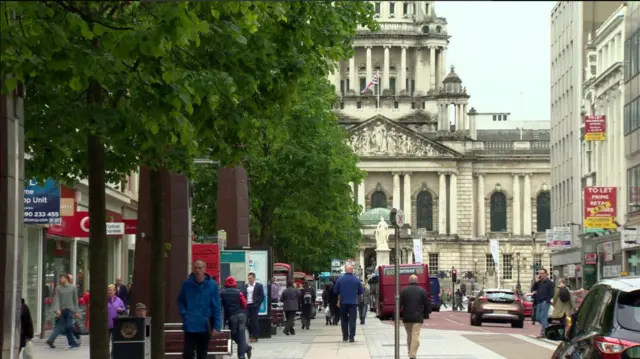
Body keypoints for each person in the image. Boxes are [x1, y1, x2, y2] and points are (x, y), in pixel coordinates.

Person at [177, 260, 222, 359]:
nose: (197, 270)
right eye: (195, 267)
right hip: (190, 324)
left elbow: (216, 306)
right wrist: (185, 315)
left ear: (205, 269)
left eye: (200, 268)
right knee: (187, 353)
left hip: (205, 324)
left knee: (202, 353)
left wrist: (217, 326)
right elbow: (180, 301)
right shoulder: (187, 284)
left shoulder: (212, 285)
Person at [221, 277, 252, 359]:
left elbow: (220, 305)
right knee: (241, 335)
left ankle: (245, 349)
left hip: (232, 317)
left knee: (233, 335)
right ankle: (243, 353)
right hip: (241, 316)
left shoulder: (222, 292)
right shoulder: (239, 292)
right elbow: (245, 304)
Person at [46, 274, 80, 349]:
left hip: (70, 309)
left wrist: (77, 311)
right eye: (60, 278)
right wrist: (57, 309)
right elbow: (57, 299)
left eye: (62, 278)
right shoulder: (58, 288)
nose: (60, 280)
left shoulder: (73, 287)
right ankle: (73, 342)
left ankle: (74, 339)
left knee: (69, 325)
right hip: (62, 310)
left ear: (66, 279)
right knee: (61, 327)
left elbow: (75, 300)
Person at [400, 275, 430, 359]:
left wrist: (396, 315)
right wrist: (426, 314)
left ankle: (410, 352)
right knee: (415, 335)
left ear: (409, 281)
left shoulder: (403, 290)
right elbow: (427, 304)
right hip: (417, 317)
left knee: (409, 335)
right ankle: (412, 355)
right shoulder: (422, 291)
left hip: (406, 317)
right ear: (417, 281)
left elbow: (399, 304)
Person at [333, 265, 363, 342]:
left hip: (343, 302)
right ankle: (352, 337)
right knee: (352, 320)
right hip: (353, 303)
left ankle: (345, 336)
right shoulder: (356, 280)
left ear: (346, 270)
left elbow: (335, 291)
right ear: (352, 270)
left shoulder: (340, 279)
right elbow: (361, 291)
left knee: (344, 319)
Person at [531, 268, 554, 338]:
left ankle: (545, 333)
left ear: (546, 274)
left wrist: (547, 300)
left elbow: (552, 293)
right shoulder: (539, 282)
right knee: (538, 317)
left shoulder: (550, 283)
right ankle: (548, 329)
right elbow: (533, 289)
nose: (541, 275)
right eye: (540, 273)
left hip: (545, 302)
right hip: (538, 301)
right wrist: (536, 282)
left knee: (543, 317)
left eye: (542, 273)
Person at [243, 272, 265, 342]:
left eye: (251, 278)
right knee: (245, 320)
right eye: (248, 278)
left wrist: (257, 305)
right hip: (247, 305)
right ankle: (251, 332)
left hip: (254, 305)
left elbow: (262, 296)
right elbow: (243, 295)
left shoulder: (259, 286)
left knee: (254, 321)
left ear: (254, 278)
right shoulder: (246, 286)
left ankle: (255, 336)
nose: (249, 280)